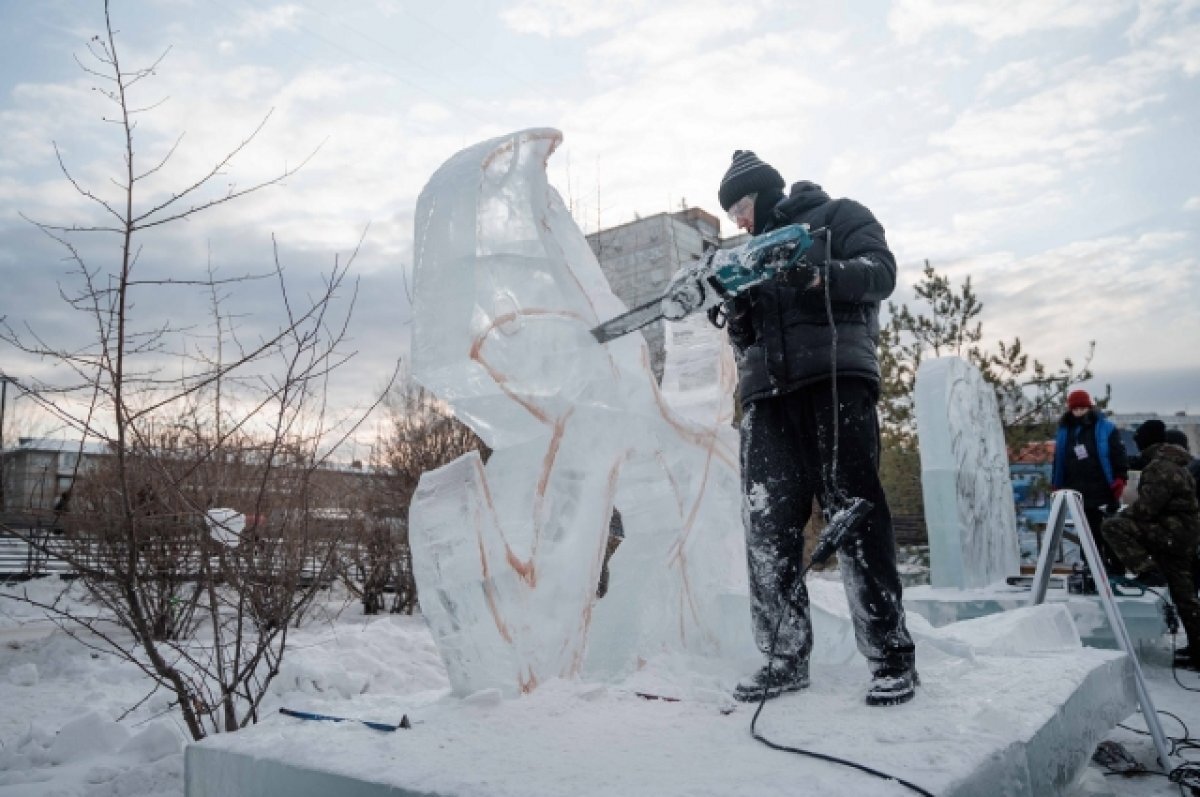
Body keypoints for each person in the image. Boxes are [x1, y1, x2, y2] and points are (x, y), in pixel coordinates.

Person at [714, 150, 916, 706]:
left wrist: (815, 277)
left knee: (853, 516)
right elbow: (745, 337)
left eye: (743, 206)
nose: (740, 222)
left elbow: (881, 274)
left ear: (768, 193)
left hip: (835, 379)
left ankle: (890, 657)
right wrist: (735, 312)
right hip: (766, 395)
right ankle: (784, 657)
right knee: (767, 526)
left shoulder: (840, 216)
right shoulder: (747, 256)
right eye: (732, 215)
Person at [1102, 419, 1200, 668]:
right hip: (1181, 536)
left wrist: (1119, 516)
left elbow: (1145, 510)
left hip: (1172, 535)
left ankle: (1149, 571)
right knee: (1185, 595)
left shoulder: (1160, 468)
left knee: (1112, 526)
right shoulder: (1171, 463)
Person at [1050, 390, 1129, 574]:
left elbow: (1118, 454)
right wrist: (1056, 481)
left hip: (1102, 487)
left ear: (1089, 407)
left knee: (1109, 530)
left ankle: (1116, 569)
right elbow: (1059, 458)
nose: (1079, 412)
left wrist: (1120, 477)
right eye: (1075, 409)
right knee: (1087, 533)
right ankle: (1091, 569)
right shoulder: (1064, 431)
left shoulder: (1106, 428)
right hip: (1076, 488)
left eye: (1082, 408)